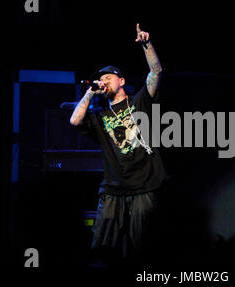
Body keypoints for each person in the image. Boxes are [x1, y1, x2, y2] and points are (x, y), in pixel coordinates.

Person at [70, 24, 166, 262]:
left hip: (144, 188)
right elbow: (74, 121)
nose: (103, 81)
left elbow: (156, 72)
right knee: (102, 252)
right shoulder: (99, 117)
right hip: (113, 191)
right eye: (100, 79)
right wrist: (91, 93)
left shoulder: (139, 102)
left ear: (121, 81)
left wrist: (146, 44)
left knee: (144, 250)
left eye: (108, 78)